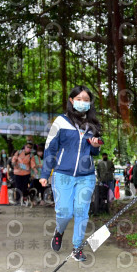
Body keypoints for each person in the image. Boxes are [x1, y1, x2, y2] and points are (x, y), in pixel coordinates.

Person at [39, 85, 102, 262]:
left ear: (90, 103)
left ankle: (77, 248)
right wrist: (45, 174)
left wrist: (95, 145)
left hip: (86, 176)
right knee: (65, 213)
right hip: (63, 175)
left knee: (82, 211)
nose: (83, 103)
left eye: (86, 100)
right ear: (72, 101)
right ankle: (59, 231)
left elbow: (93, 152)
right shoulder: (60, 121)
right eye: (79, 99)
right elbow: (50, 149)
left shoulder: (92, 125)